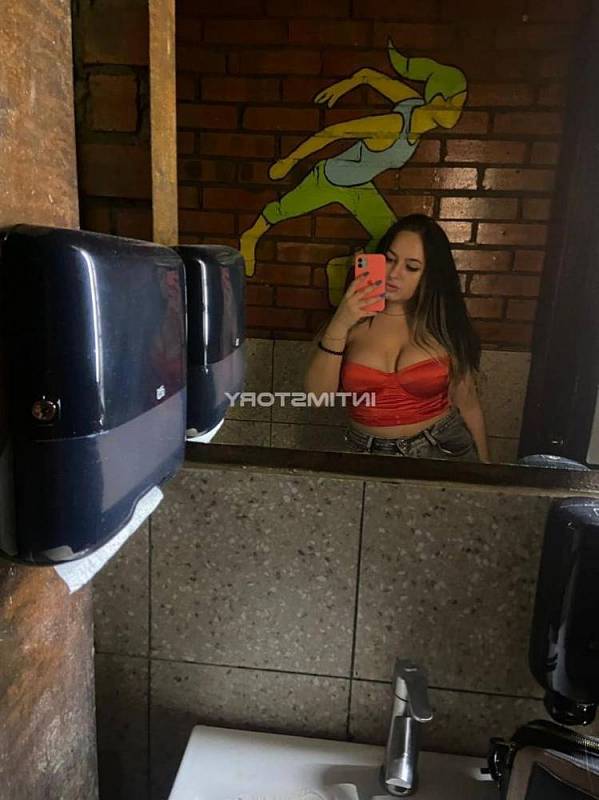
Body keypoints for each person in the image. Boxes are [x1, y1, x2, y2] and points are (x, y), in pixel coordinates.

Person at [240, 43, 468, 307]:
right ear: (438, 100)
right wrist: (288, 161)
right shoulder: (393, 126)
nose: (459, 112)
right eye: (456, 104)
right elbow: (334, 131)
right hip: (330, 178)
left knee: (386, 234)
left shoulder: (413, 104)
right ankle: (250, 236)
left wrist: (346, 85)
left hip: (360, 187)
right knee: (283, 209)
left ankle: (341, 269)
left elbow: (368, 75)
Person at [304, 214, 491, 462]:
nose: (393, 273)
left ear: (429, 276)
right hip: (366, 454)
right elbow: (317, 398)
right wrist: (341, 321)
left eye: (411, 267)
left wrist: (485, 468)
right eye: (389, 260)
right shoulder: (350, 321)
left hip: (443, 449)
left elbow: (468, 403)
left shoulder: (443, 324)